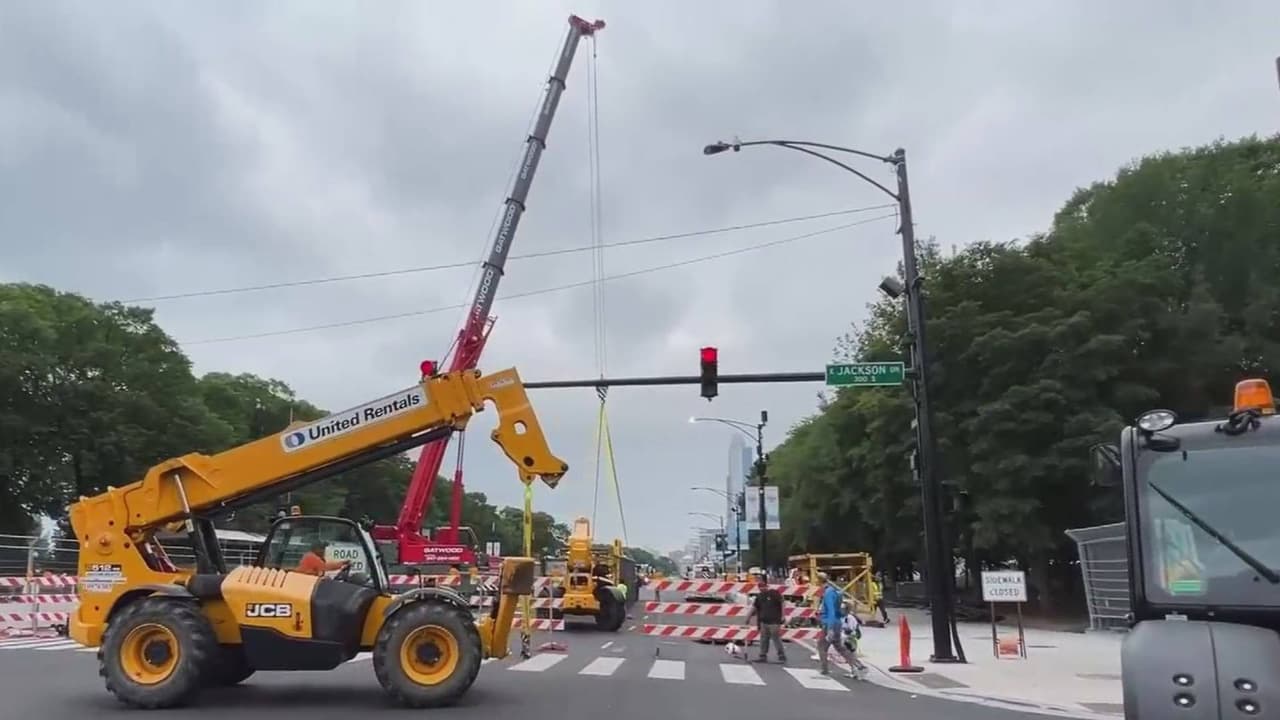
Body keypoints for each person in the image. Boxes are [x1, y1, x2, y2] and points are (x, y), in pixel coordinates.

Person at [817, 572, 868, 678]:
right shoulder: (836, 592)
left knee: (822, 646)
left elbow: (831, 611)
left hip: (829, 623)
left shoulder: (828, 594)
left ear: (819, 581)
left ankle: (824, 670)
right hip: (837, 622)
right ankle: (859, 666)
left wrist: (830, 628)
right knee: (840, 647)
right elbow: (839, 611)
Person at [744, 574, 786, 663]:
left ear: (767, 586)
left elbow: (782, 603)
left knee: (776, 638)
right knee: (763, 639)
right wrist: (748, 617)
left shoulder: (774, 593)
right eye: (760, 587)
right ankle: (763, 656)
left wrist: (783, 615)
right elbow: (754, 608)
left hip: (774, 620)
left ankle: (781, 655)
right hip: (763, 621)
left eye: (763, 586)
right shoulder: (759, 597)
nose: (762, 588)